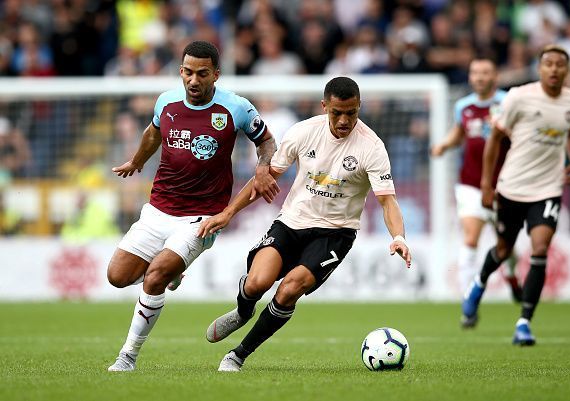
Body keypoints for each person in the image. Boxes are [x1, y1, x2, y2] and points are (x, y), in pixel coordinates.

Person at [197, 76, 412, 372]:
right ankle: (242, 311)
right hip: (291, 222)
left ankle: (238, 354)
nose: (344, 120)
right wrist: (228, 213)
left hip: (335, 233)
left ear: (359, 107)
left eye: (351, 113)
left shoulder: (371, 147)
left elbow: (388, 201)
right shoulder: (303, 132)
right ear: (325, 106)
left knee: (288, 289)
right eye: (337, 112)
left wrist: (398, 236)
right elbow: (265, 178)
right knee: (257, 282)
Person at [106, 41, 280, 371]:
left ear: (216, 74)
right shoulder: (166, 101)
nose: (193, 81)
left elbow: (267, 140)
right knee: (117, 276)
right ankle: (173, 270)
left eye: (202, 74)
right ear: (180, 72)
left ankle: (127, 356)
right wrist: (137, 160)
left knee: (154, 277)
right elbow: (153, 132)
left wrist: (261, 168)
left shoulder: (236, 107)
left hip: (201, 217)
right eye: (187, 72)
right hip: (157, 210)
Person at [462, 45, 570, 345]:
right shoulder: (519, 97)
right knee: (503, 250)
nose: (554, 69)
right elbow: (494, 139)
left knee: (540, 248)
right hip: (512, 187)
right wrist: (488, 186)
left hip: (548, 189)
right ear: (539, 68)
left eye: (560, 65)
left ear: (567, 71)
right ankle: (479, 283)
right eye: (548, 64)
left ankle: (524, 323)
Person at [431, 58, 522, 308]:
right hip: (470, 183)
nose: (480, 77)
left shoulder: (508, 102)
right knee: (470, 238)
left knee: (507, 246)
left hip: (505, 185)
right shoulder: (463, 106)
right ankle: (467, 300)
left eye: (485, 72)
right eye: (475, 73)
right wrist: (444, 145)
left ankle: (512, 276)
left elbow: (521, 137)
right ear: (470, 77)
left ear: (495, 76)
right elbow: (459, 132)